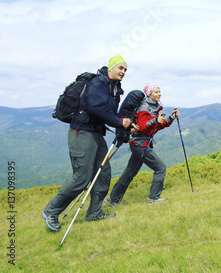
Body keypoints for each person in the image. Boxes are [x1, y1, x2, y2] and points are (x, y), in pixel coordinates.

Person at [42, 55, 138, 232]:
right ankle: (51, 211)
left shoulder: (114, 88)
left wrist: (126, 124)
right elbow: (96, 107)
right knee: (82, 177)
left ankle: (94, 212)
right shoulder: (99, 83)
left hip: (96, 134)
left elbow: (109, 114)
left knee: (103, 173)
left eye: (125, 69)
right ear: (111, 68)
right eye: (120, 68)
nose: (123, 72)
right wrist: (118, 122)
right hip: (82, 133)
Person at [106, 83, 178, 206]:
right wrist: (155, 120)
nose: (159, 94)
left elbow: (155, 127)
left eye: (159, 91)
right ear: (149, 94)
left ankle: (113, 199)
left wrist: (170, 118)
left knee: (130, 172)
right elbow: (141, 127)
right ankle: (154, 198)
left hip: (139, 144)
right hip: (140, 144)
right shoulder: (145, 107)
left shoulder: (153, 107)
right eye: (156, 92)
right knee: (160, 168)